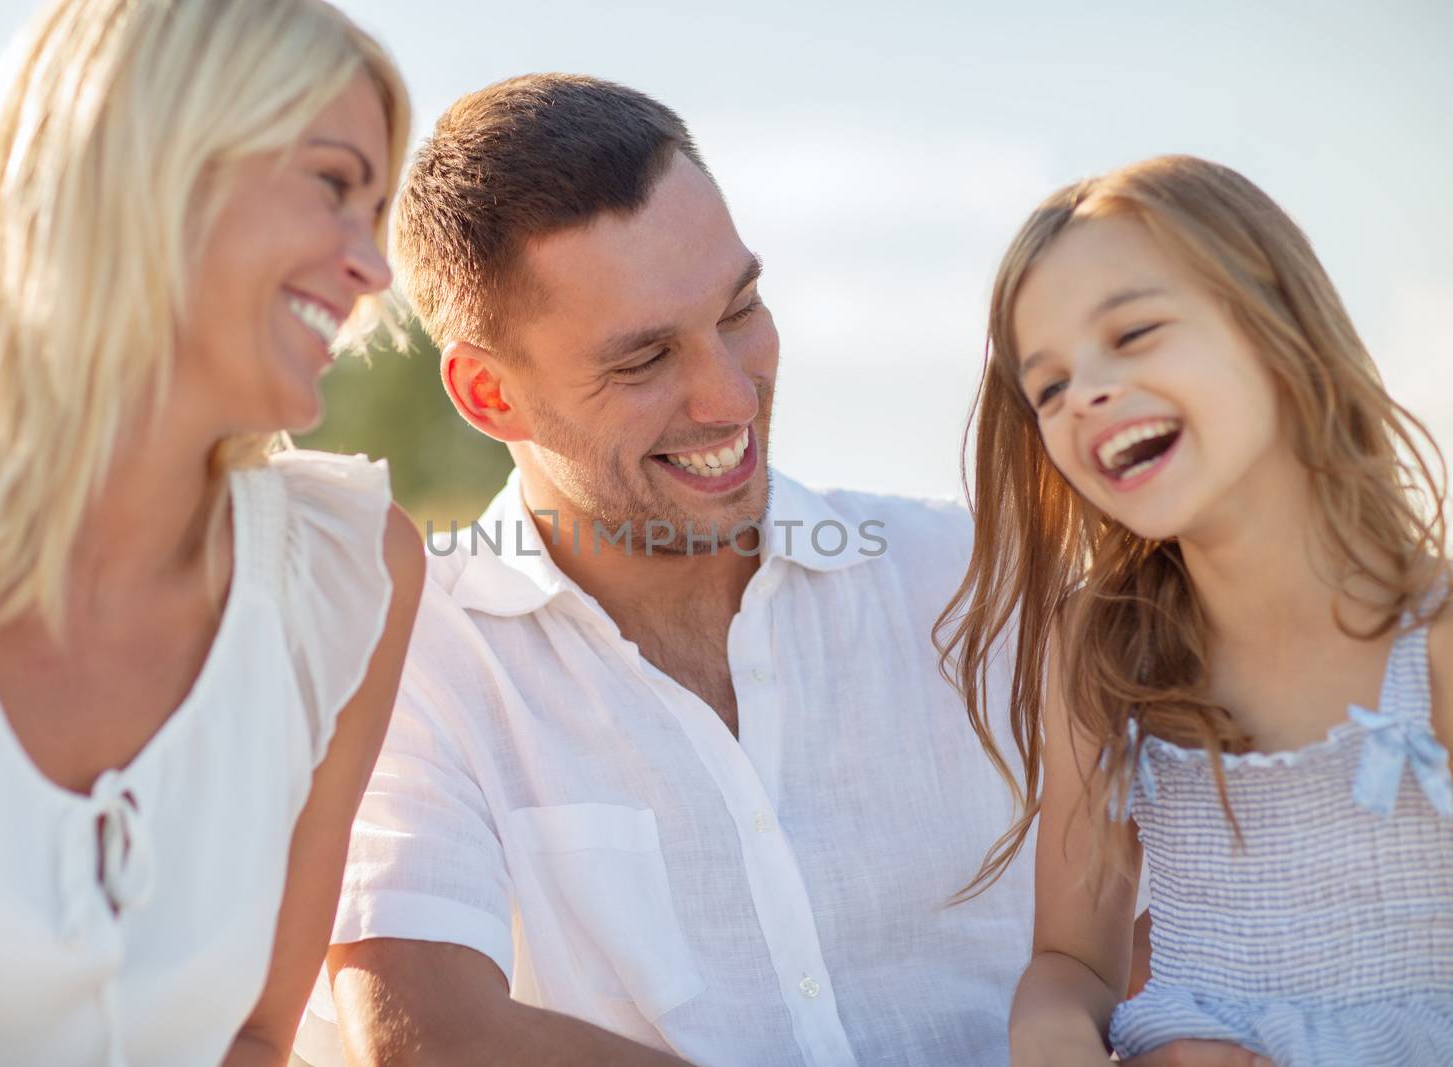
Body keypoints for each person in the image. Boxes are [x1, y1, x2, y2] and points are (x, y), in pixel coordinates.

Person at [286, 72, 1038, 1067]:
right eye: (642, 361)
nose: (728, 397)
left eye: (739, 309)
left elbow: (1173, 935)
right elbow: (431, 1034)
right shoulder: (414, 653)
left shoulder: (974, 580)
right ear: (486, 393)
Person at [0, 0, 425, 1062]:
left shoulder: (350, 573)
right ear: (146, 165)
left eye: (378, 209)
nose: (374, 268)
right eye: (331, 185)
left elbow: (256, 1036)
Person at [937, 154, 1452, 1066]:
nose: (1085, 392)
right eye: (1048, 386)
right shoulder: (1102, 649)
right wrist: (1058, 1045)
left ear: (1274, 324)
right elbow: (1070, 963)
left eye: (1133, 333)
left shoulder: (1433, 640)